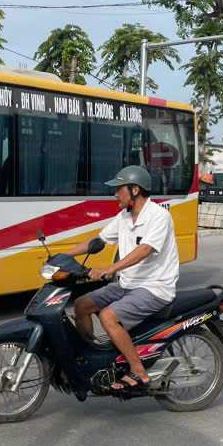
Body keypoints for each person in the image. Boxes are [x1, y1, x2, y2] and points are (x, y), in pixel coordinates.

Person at [63, 165, 180, 394]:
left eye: (119, 189)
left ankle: (138, 370)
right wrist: (64, 256)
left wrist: (109, 268)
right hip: (128, 284)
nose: (115, 194)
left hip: (155, 287)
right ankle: (90, 356)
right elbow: (98, 240)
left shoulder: (159, 216)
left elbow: (145, 250)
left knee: (108, 316)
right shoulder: (124, 216)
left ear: (134, 190)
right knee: (82, 305)